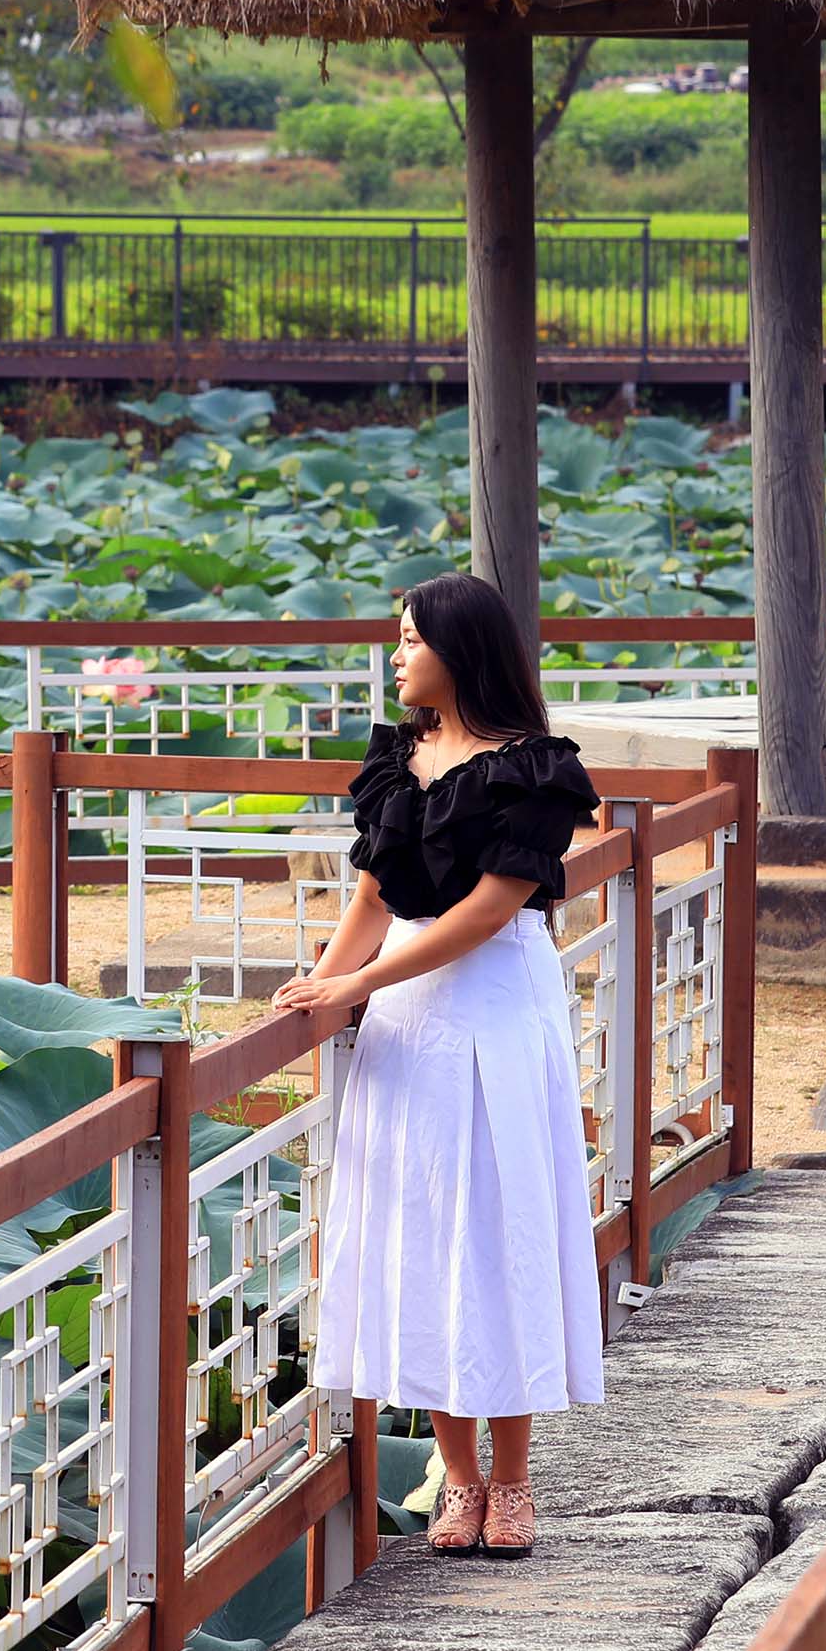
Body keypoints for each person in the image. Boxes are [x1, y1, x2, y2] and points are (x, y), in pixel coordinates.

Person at [274, 571, 605, 1560]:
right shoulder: (398, 759)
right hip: (408, 1020)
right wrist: (325, 984)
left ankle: (513, 1482)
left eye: (410, 639)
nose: (396, 655)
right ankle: (456, 1480)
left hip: (497, 1008)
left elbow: (484, 915)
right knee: (423, 1231)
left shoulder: (535, 770)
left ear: (459, 652)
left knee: (497, 1232)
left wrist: (357, 984)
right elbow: (375, 896)